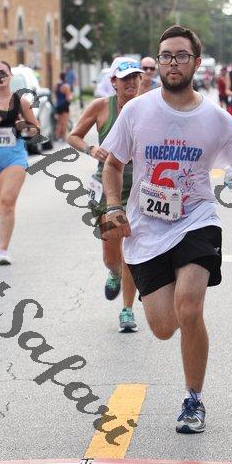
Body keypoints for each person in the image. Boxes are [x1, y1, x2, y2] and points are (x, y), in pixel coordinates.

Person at [101, 25, 232, 433]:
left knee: (189, 308)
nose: (173, 63)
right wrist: (114, 205)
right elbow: (113, 163)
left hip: (196, 219)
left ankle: (194, 400)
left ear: (196, 62)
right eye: (166, 56)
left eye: (181, 56)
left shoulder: (216, 118)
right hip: (146, 228)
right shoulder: (136, 111)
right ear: (158, 63)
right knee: (162, 327)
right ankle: (164, 288)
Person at [68, 57, 143, 332]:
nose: (131, 82)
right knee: (112, 255)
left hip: (140, 189)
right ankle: (114, 272)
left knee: (132, 251)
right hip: (108, 188)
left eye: (135, 77)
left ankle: (127, 310)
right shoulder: (101, 107)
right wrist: (90, 149)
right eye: (125, 78)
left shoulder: (150, 106)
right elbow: (73, 136)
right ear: (113, 82)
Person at [0, 60, 39, 265]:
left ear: (10, 75)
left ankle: (3, 250)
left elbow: (35, 130)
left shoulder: (20, 101)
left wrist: (23, 126)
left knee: (7, 202)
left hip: (14, 157)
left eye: (3, 72)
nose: (0, 76)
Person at [54, 72, 72, 141]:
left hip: (58, 105)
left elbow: (56, 95)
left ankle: (57, 136)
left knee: (59, 122)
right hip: (64, 105)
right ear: (65, 77)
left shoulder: (56, 86)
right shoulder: (66, 86)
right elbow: (68, 98)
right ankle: (64, 137)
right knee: (64, 122)